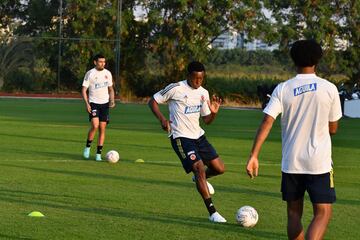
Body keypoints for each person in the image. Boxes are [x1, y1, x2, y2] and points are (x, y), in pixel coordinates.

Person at [246, 40, 342, 240]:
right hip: (319, 163)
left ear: (293, 60)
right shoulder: (329, 88)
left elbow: (267, 120)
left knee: (293, 213)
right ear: (318, 59)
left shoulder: (283, 88)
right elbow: (333, 128)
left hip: (291, 163)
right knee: (323, 213)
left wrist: (254, 155)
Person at [148, 61, 227, 223]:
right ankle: (212, 212)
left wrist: (214, 112)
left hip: (199, 136)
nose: (198, 81)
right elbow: (153, 101)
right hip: (180, 137)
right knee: (198, 169)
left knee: (219, 168)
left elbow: (207, 120)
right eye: (195, 78)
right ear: (188, 76)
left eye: (201, 78)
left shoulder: (204, 93)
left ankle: (199, 179)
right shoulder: (176, 88)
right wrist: (162, 119)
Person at [81, 54, 115, 161]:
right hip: (94, 103)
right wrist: (87, 104)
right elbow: (83, 90)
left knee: (102, 128)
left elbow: (111, 89)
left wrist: (112, 100)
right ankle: (87, 147)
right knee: (95, 126)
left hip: (104, 104)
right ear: (95, 62)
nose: (102, 64)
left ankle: (98, 154)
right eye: (100, 62)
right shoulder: (90, 73)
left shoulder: (108, 73)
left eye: (104, 62)